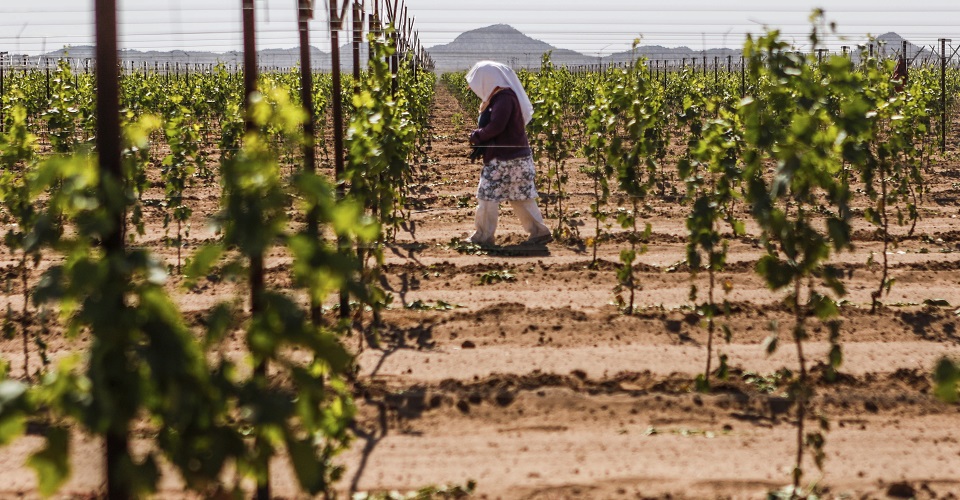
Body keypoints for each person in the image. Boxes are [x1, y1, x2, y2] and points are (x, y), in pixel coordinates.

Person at [465, 60, 552, 246]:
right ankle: (539, 232)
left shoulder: (504, 98)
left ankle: (483, 237)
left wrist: (477, 136)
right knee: (520, 196)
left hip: (505, 159)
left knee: (488, 194)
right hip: (513, 157)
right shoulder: (500, 97)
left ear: (488, 80)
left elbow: (497, 126)